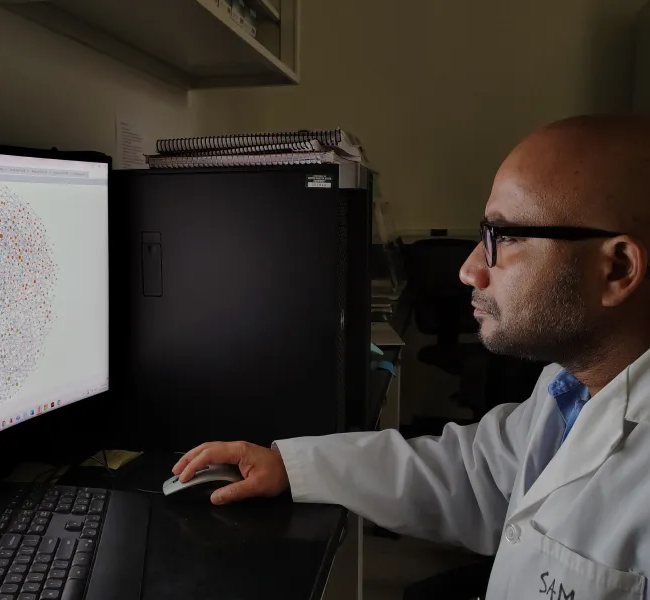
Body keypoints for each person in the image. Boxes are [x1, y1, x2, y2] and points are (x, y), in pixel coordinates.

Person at [173, 114, 650, 600]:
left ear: (617, 268)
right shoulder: (568, 387)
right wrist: (289, 466)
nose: (469, 270)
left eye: (506, 236)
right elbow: (474, 475)